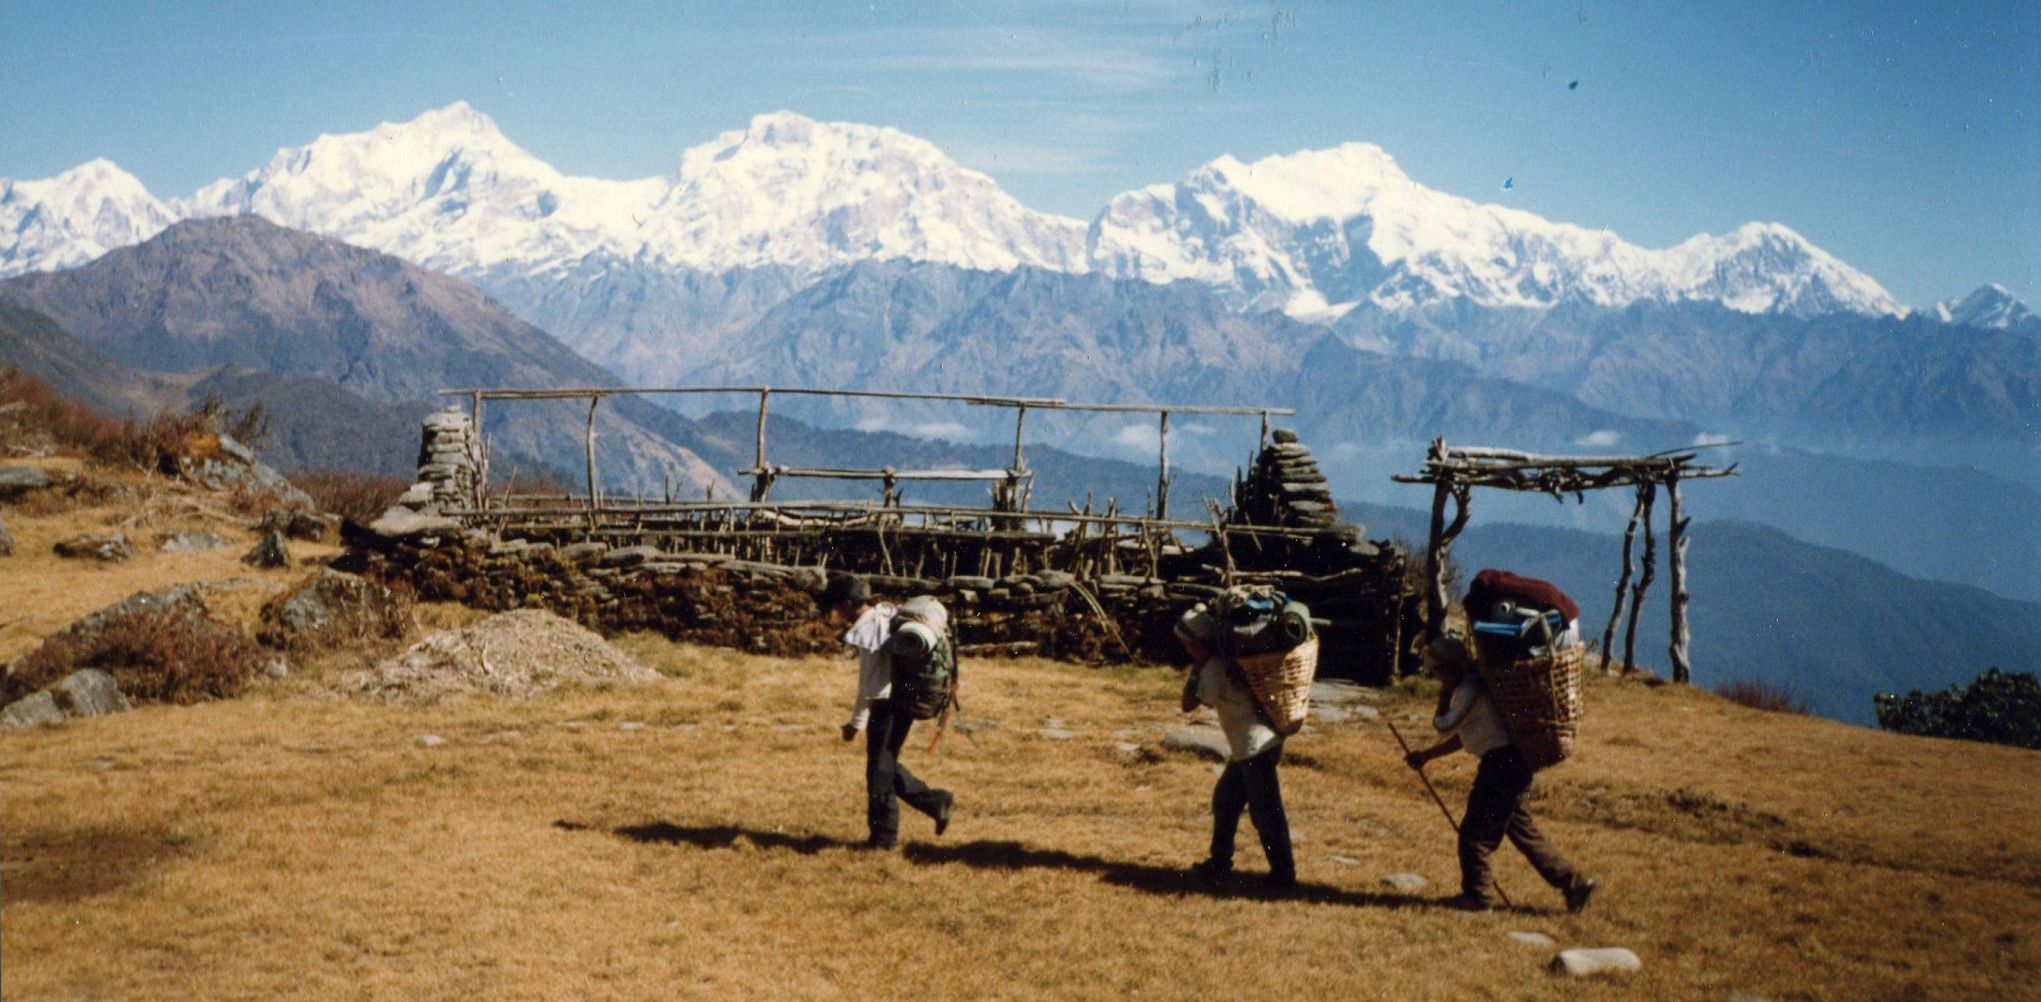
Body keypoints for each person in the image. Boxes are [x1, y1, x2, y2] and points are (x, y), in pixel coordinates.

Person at [1404, 635, 1596, 912]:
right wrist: (1427, 756)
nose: (1434, 677)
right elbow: (1465, 735)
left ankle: (1478, 897)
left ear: (1449, 667)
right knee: (1523, 832)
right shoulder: (1476, 687)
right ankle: (1576, 884)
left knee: (1474, 835)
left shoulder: (1469, 689)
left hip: (1500, 766)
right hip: (1515, 764)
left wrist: (1444, 693)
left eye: (1436, 671)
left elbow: (1444, 726)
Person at [822, 573, 953, 850]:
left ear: (847, 603)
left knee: (879, 774)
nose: (834, 613)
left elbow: (871, 685)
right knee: (884, 765)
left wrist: (855, 723)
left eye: (836, 606)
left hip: (888, 707)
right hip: (902, 701)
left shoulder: (871, 630)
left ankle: (884, 840)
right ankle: (935, 802)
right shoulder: (885, 616)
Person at [1175, 601, 1296, 890]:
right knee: (1225, 801)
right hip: (1253, 746)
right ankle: (1219, 863)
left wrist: (1197, 667)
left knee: (1265, 813)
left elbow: (1187, 705)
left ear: (1194, 643)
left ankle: (1283, 876)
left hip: (1256, 746)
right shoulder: (1224, 661)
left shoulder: (1214, 666)